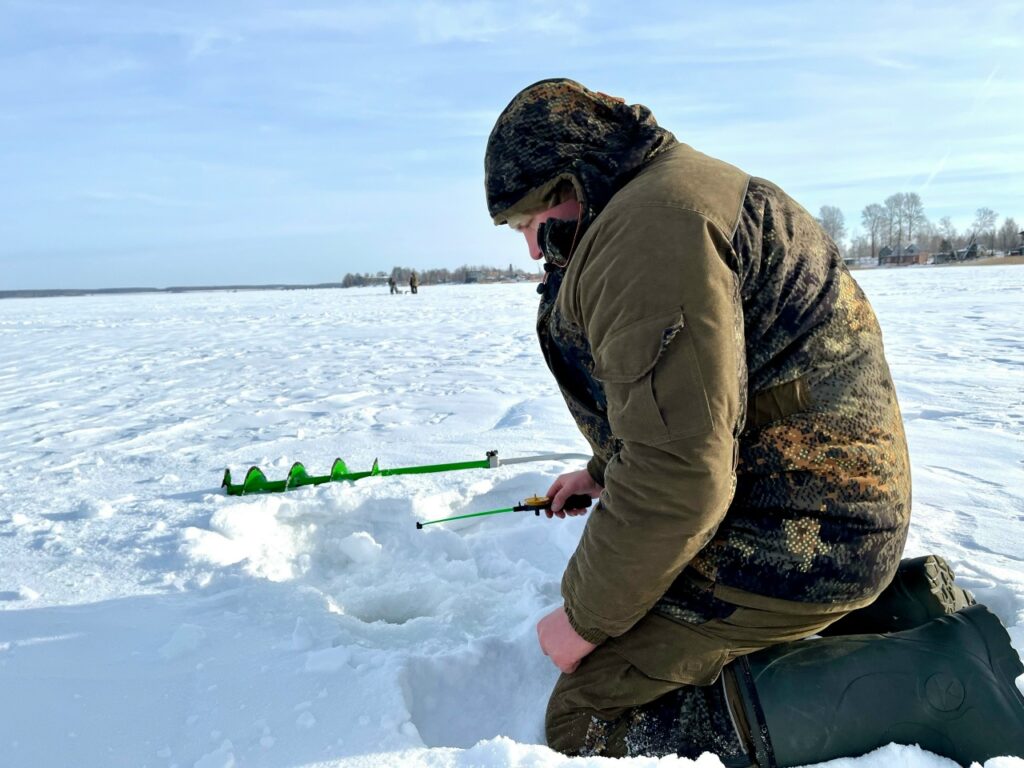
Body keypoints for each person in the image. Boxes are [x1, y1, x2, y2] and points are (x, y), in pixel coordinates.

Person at [485, 79, 1024, 764]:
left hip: (806, 534)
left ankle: (940, 684)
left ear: (571, 179)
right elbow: (700, 400)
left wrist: (583, 619)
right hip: (824, 503)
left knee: (592, 713)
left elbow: (679, 479)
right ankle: (908, 611)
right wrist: (600, 473)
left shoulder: (648, 231)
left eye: (529, 223)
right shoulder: (666, 196)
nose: (534, 250)